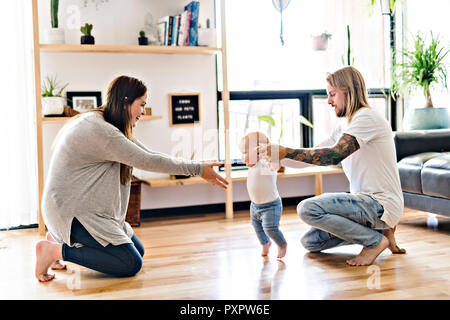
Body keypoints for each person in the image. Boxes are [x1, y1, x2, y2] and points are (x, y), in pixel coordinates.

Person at [35, 75, 228, 282]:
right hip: (70, 212)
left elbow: (149, 154)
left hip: (79, 210)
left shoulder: (106, 123)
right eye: (142, 105)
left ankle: (57, 239)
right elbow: (148, 160)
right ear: (126, 100)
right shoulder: (101, 130)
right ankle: (54, 251)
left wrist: (198, 167)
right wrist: (198, 169)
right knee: (129, 263)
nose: (143, 112)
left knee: (138, 251)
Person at [255, 66, 406, 266]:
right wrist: (279, 159)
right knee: (309, 242)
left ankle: (374, 241)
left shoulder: (367, 118)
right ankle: (383, 231)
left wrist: (286, 151)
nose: (329, 101)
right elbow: (316, 153)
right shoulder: (345, 125)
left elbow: (333, 155)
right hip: (368, 205)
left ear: (349, 91)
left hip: (379, 203)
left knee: (307, 209)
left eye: (333, 94)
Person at [239, 131, 287, 259]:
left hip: (270, 206)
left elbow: (275, 165)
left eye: (244, 153)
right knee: (257, 228)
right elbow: (249, 161)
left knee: (270, 229)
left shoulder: (265, 164)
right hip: (254, 206)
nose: (242, 158)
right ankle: (265, 243)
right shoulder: (252, 164)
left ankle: (282, 244)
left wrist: (269, 153)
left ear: (259, 151)